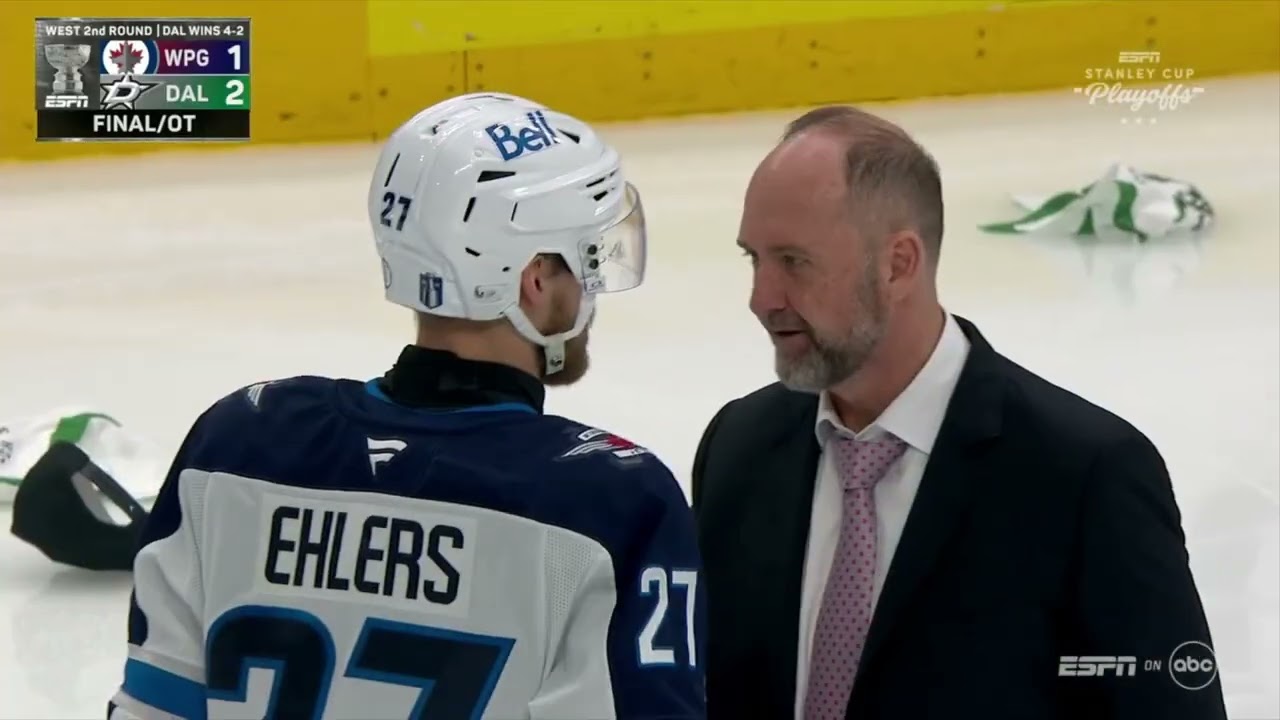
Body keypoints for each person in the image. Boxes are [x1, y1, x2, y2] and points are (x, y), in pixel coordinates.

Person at [106, 92, 706, 720]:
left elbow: (155, 705)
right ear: (532, 279)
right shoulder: (610, 502)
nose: (592, 287)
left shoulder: (236, 443)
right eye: (586, 259)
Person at [691, 105, 1226, 720]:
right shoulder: (739, 448)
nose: (762, 298)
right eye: (752, 259)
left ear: (898, 264)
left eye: (794, 261)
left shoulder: (1084, 475)